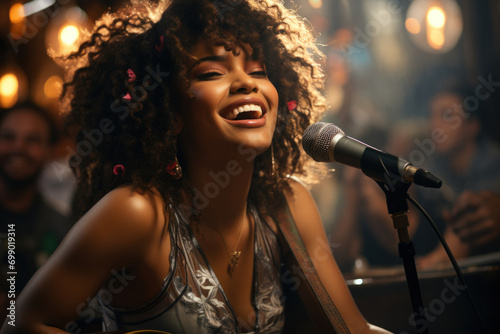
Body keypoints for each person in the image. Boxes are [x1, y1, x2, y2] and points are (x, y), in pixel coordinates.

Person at [0, 0, 391, 333]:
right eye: (212, 73)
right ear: (171, 112)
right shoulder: (137, 214)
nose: (246, 83)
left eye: (257, 71)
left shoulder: (287, 206)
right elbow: (19, 324)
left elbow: (351, 330)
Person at [416, 82, 500, 268]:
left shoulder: (493, 164)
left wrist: (434, 261)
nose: (434, 124)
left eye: (447, 116)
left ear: (473, 126)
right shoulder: (435, 164)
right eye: (432, 115)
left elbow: (469, 216)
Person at [0, 102, 72, 318]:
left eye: (32, 140)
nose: (18, 148)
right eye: (8, 137)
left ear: (50, 150)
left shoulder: (64, 230)